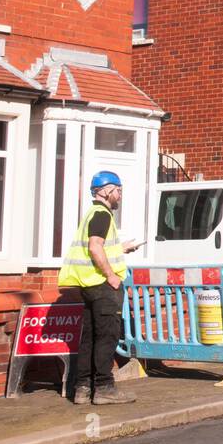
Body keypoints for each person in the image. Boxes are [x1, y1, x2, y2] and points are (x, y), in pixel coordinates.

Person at [58, 171, 143, 405]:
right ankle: (104, 387)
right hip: (103, 286)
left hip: (88, 286)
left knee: (89, 338)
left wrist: (121, 249)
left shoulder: (92, 214)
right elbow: (95, 248)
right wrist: (111, 276)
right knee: (107, 336)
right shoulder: (102, 214)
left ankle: (82, 389)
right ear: (106, 191)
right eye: (118, 190)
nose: (120, 195)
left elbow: (97, 248)